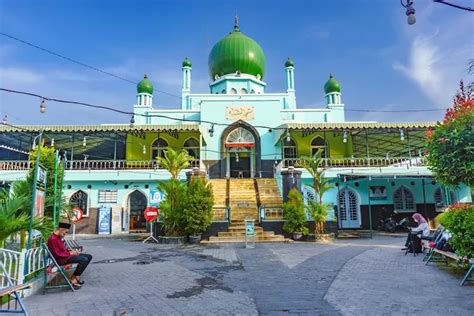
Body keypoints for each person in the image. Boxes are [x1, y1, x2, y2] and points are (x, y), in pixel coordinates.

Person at [47, 222, 92, 289]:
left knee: (89, 256)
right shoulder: (53, 239)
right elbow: (57, 253)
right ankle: (73, 278)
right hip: (61, 260)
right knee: (83, 259)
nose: (66, 234)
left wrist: (72, 252)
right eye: (66, 232)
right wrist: (70, 253)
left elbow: (63, 250)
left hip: (66, 256)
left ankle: (76, 276)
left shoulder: (58, 237)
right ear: (61, 229)